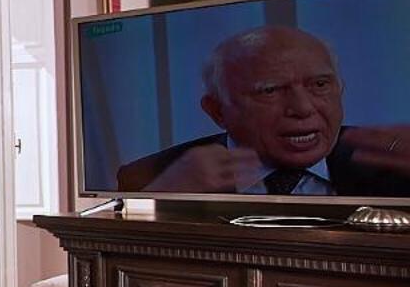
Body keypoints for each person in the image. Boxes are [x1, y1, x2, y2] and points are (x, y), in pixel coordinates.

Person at [115, 25, 410, 196]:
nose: (302, 108)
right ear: (217, 111)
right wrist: (164, 199)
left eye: (320, 85)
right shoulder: (152, 179)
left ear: (340, 90)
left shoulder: (392, 163)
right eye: (270, 90)